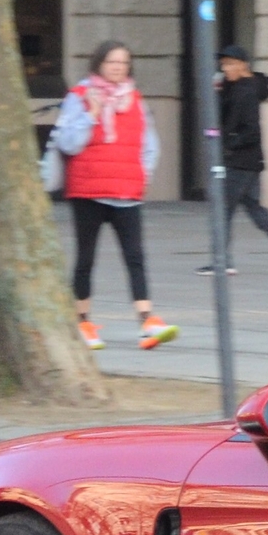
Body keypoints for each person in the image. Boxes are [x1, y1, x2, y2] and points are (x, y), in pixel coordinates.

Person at [55, 41, 177, 350]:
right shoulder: (79, 97)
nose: (117, 67)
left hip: (126, 192)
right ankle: (82, 322)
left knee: (135, 257)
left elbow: (150, 145)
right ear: (99, 64)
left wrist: (140, 176)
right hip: (89, 191)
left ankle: (147, 321)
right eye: (112, 61)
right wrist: (91, 115)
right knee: (86, 259)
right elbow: (68, 142)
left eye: (123, 62)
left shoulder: (135, 99)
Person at [209, 45, 268, 275]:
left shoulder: (246, 92)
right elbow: (220, 115)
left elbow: (251, 131)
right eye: (223, 64)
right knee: (255, 209)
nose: (224, 68)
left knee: (222, 211)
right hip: (250, 161)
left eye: (229, 63)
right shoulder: (237, 88)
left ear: (243, 65)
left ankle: (222, 261)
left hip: (239, 161)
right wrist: (218, 91)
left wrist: (229, 145)